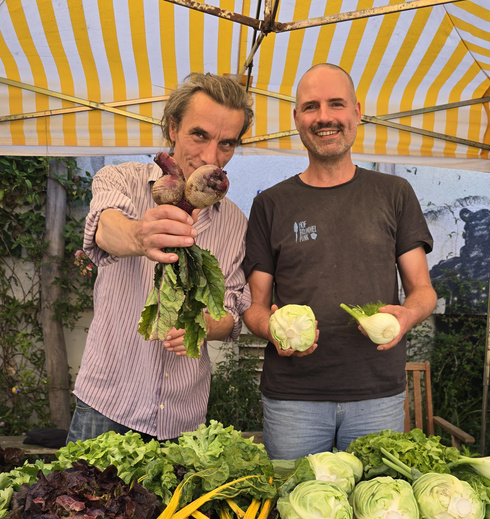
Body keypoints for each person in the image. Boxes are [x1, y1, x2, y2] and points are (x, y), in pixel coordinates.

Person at [242, 63, 437, 459]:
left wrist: (407, 316)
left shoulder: (395, 193)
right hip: (293, 400)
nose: (324, 117)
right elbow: (254, 307)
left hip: (377, 394)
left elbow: (423, 290)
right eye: (311, 106)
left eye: (336, 104)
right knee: (295, 497)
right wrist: (274, 332)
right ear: (296, 118)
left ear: (357, 112)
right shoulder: (270, 204)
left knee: (376, 498)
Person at [66, 72, 253, 444]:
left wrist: (202, 325)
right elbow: (105, 228)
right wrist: (140, 235)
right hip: (108, 402)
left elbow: (231, 313)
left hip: (183, 415)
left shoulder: (234, 222)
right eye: (199, 135)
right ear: (172, 127)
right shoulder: (120, 179)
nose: (211, 157)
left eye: (227, 143)